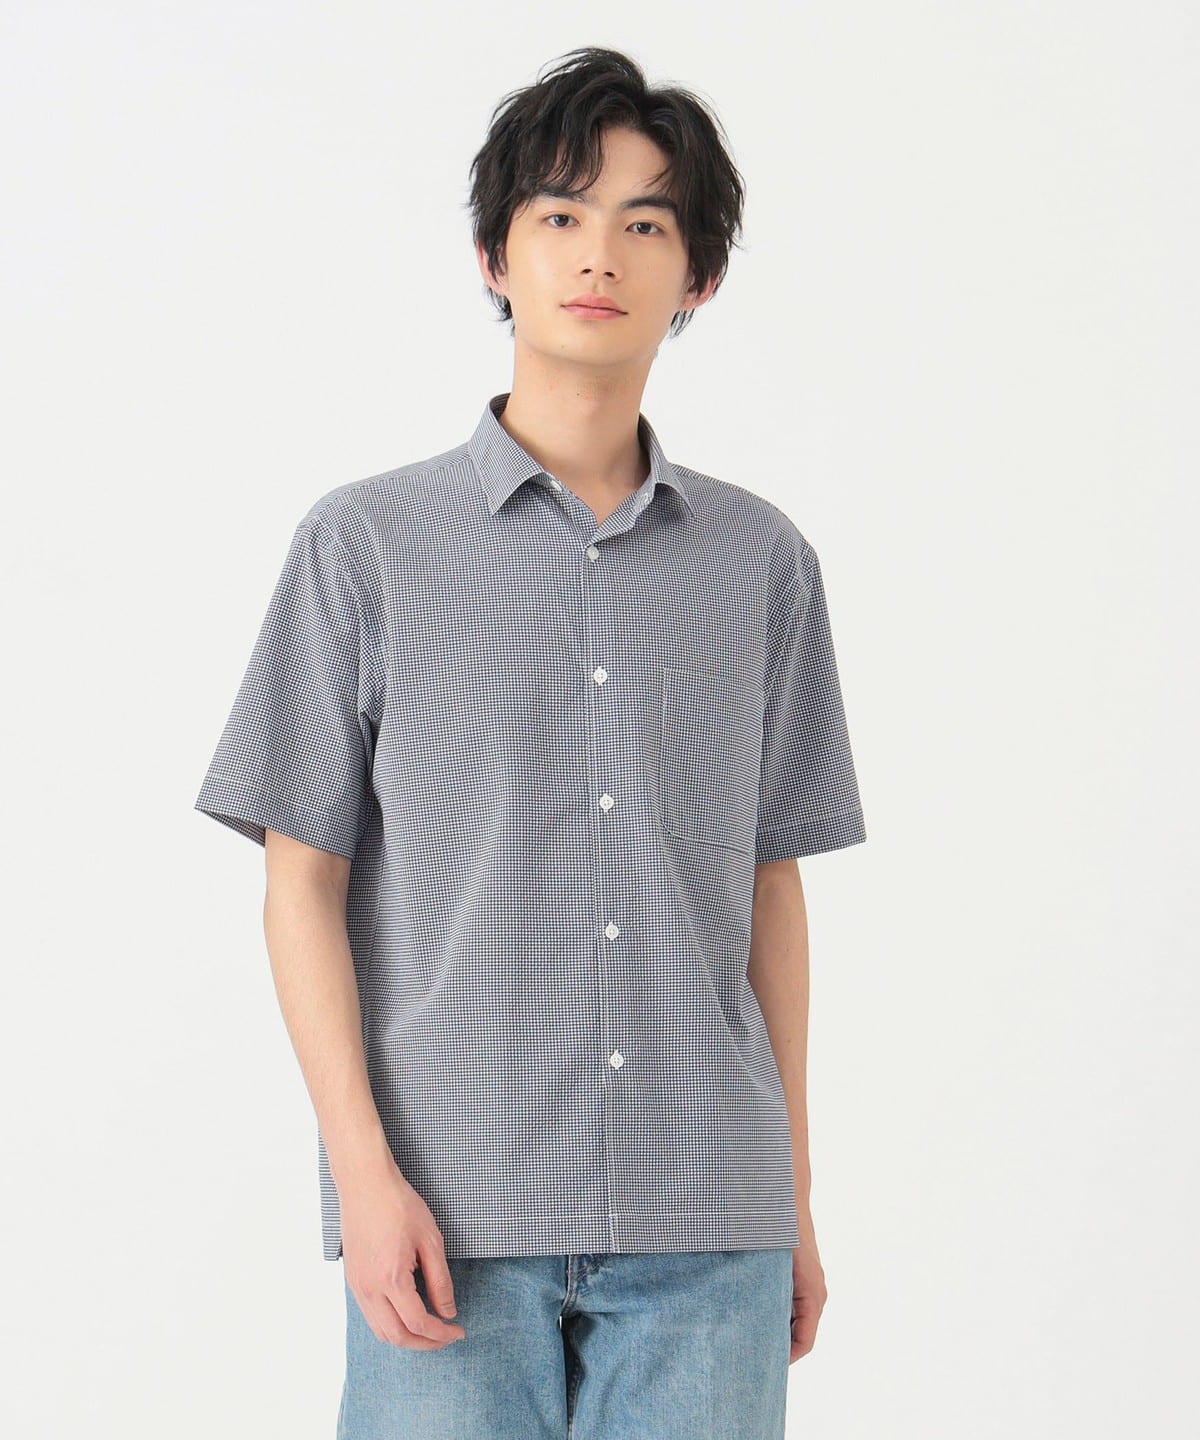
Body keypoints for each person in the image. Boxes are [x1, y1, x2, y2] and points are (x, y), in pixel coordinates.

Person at [194, 44, 867, 1440]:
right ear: (496, 256)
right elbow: (300, 881)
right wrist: (362, 1177)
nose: (598, 253)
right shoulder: (365, 544)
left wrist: (792, 1196)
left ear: (700, 276)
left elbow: (772, 887)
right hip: (450, 1212)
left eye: (646, 222)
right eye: (560, 213)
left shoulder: (760, 561)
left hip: (709, 1220)